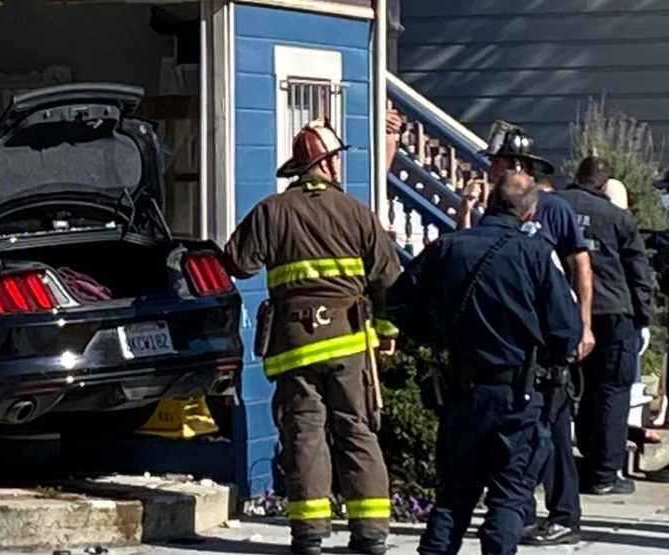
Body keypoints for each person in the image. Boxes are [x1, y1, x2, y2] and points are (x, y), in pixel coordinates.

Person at [222, 115, 403, 555]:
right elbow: (389, 280)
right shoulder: (359, 214)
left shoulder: (272, 210)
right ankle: (371, 532)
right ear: (326, 165)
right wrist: (386, 331)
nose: (339, 168)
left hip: (295, 346)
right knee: (357, 430)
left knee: (304, 432)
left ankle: (309, 534)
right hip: (349, 343)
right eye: (335, 161)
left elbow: (238, 262)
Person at [388, 171, 582, 555]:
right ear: (529, 214)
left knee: (454, 495)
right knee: (509, 498)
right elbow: (566, 331)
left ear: (489, 204)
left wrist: (437, 336)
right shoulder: (536, 254)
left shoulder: (448, 247)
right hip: (520, 396)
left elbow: (397, 303)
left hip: (463, 393)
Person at [454, 125, 593, 546]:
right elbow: (466, 247)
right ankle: (521, 515)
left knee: (554, 427)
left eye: (494, 162)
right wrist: (465, 209)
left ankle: (565, 513)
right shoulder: (497, 207)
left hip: (547, 337)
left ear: (515, 164)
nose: (488, 169)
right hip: (510, 338)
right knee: (518, 443)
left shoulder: (552, 208)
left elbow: (580, 265)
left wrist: (584, 325)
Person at [560, 156, 653, 495]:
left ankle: (580, 462)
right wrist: (643, 318)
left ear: (576, 176)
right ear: (605, 185)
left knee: (575, 391)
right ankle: (604, 475)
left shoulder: (554, 207)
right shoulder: (617, 217)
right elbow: (638, 273)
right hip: (613, 310)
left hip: (565, 311)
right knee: (612, 391)